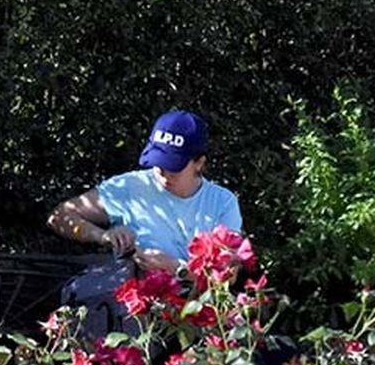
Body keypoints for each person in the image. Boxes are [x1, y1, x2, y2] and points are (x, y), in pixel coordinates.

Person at [48, 109, 243, 338]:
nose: (162, 172)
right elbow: (59, 217)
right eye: (158, 162)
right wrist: (104, 236)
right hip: (135, 325)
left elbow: (229, 274)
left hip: (198, 323)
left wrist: (177, 269)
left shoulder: (222, 201)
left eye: (174, 166)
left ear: (199, 162)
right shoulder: (129, 188)